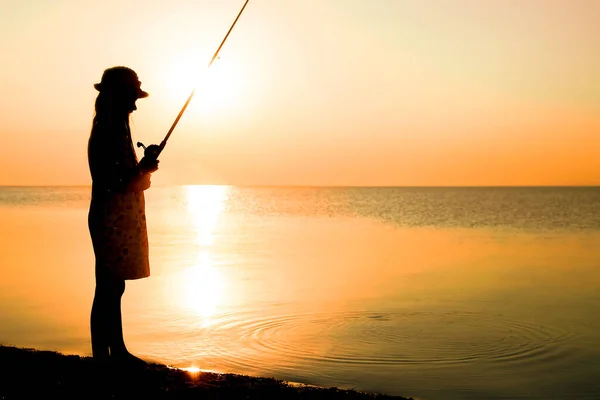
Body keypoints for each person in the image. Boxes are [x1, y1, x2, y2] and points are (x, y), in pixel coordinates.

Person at [88, 66, 159, 366]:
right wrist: (142, 168)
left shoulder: (116, 126)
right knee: (108, 286)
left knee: (113, 285)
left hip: (118, 218)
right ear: (119, 95)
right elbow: (112, 180)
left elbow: (128, 179)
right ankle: (104, 357)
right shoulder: (108, 130)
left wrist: (144, 167)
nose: (135, 102)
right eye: (132, 95)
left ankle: (114, 352)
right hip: (110, 217)